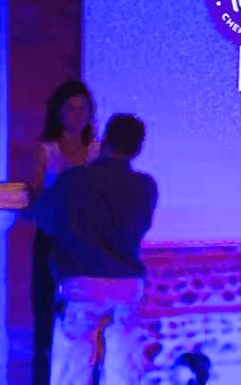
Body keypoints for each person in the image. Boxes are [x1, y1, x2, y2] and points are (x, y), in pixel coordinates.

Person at [29, 113, 158, 385]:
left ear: (105, 140)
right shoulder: (145, 187)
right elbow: (142, 225)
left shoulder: (74, 180)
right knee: (123, 369)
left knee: (72, 367)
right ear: (137, 148)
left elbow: (45, 219)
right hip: (128, 285)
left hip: (81, 281)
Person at [31, 80, 100, 385]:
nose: (76, 114)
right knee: (47, 313)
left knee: (87, 315)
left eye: (82, 108)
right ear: (58, 112)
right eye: (70, 108)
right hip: (52, 241)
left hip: (87, 244)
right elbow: (36, 197)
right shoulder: (47, 151)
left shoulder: (97, 151)